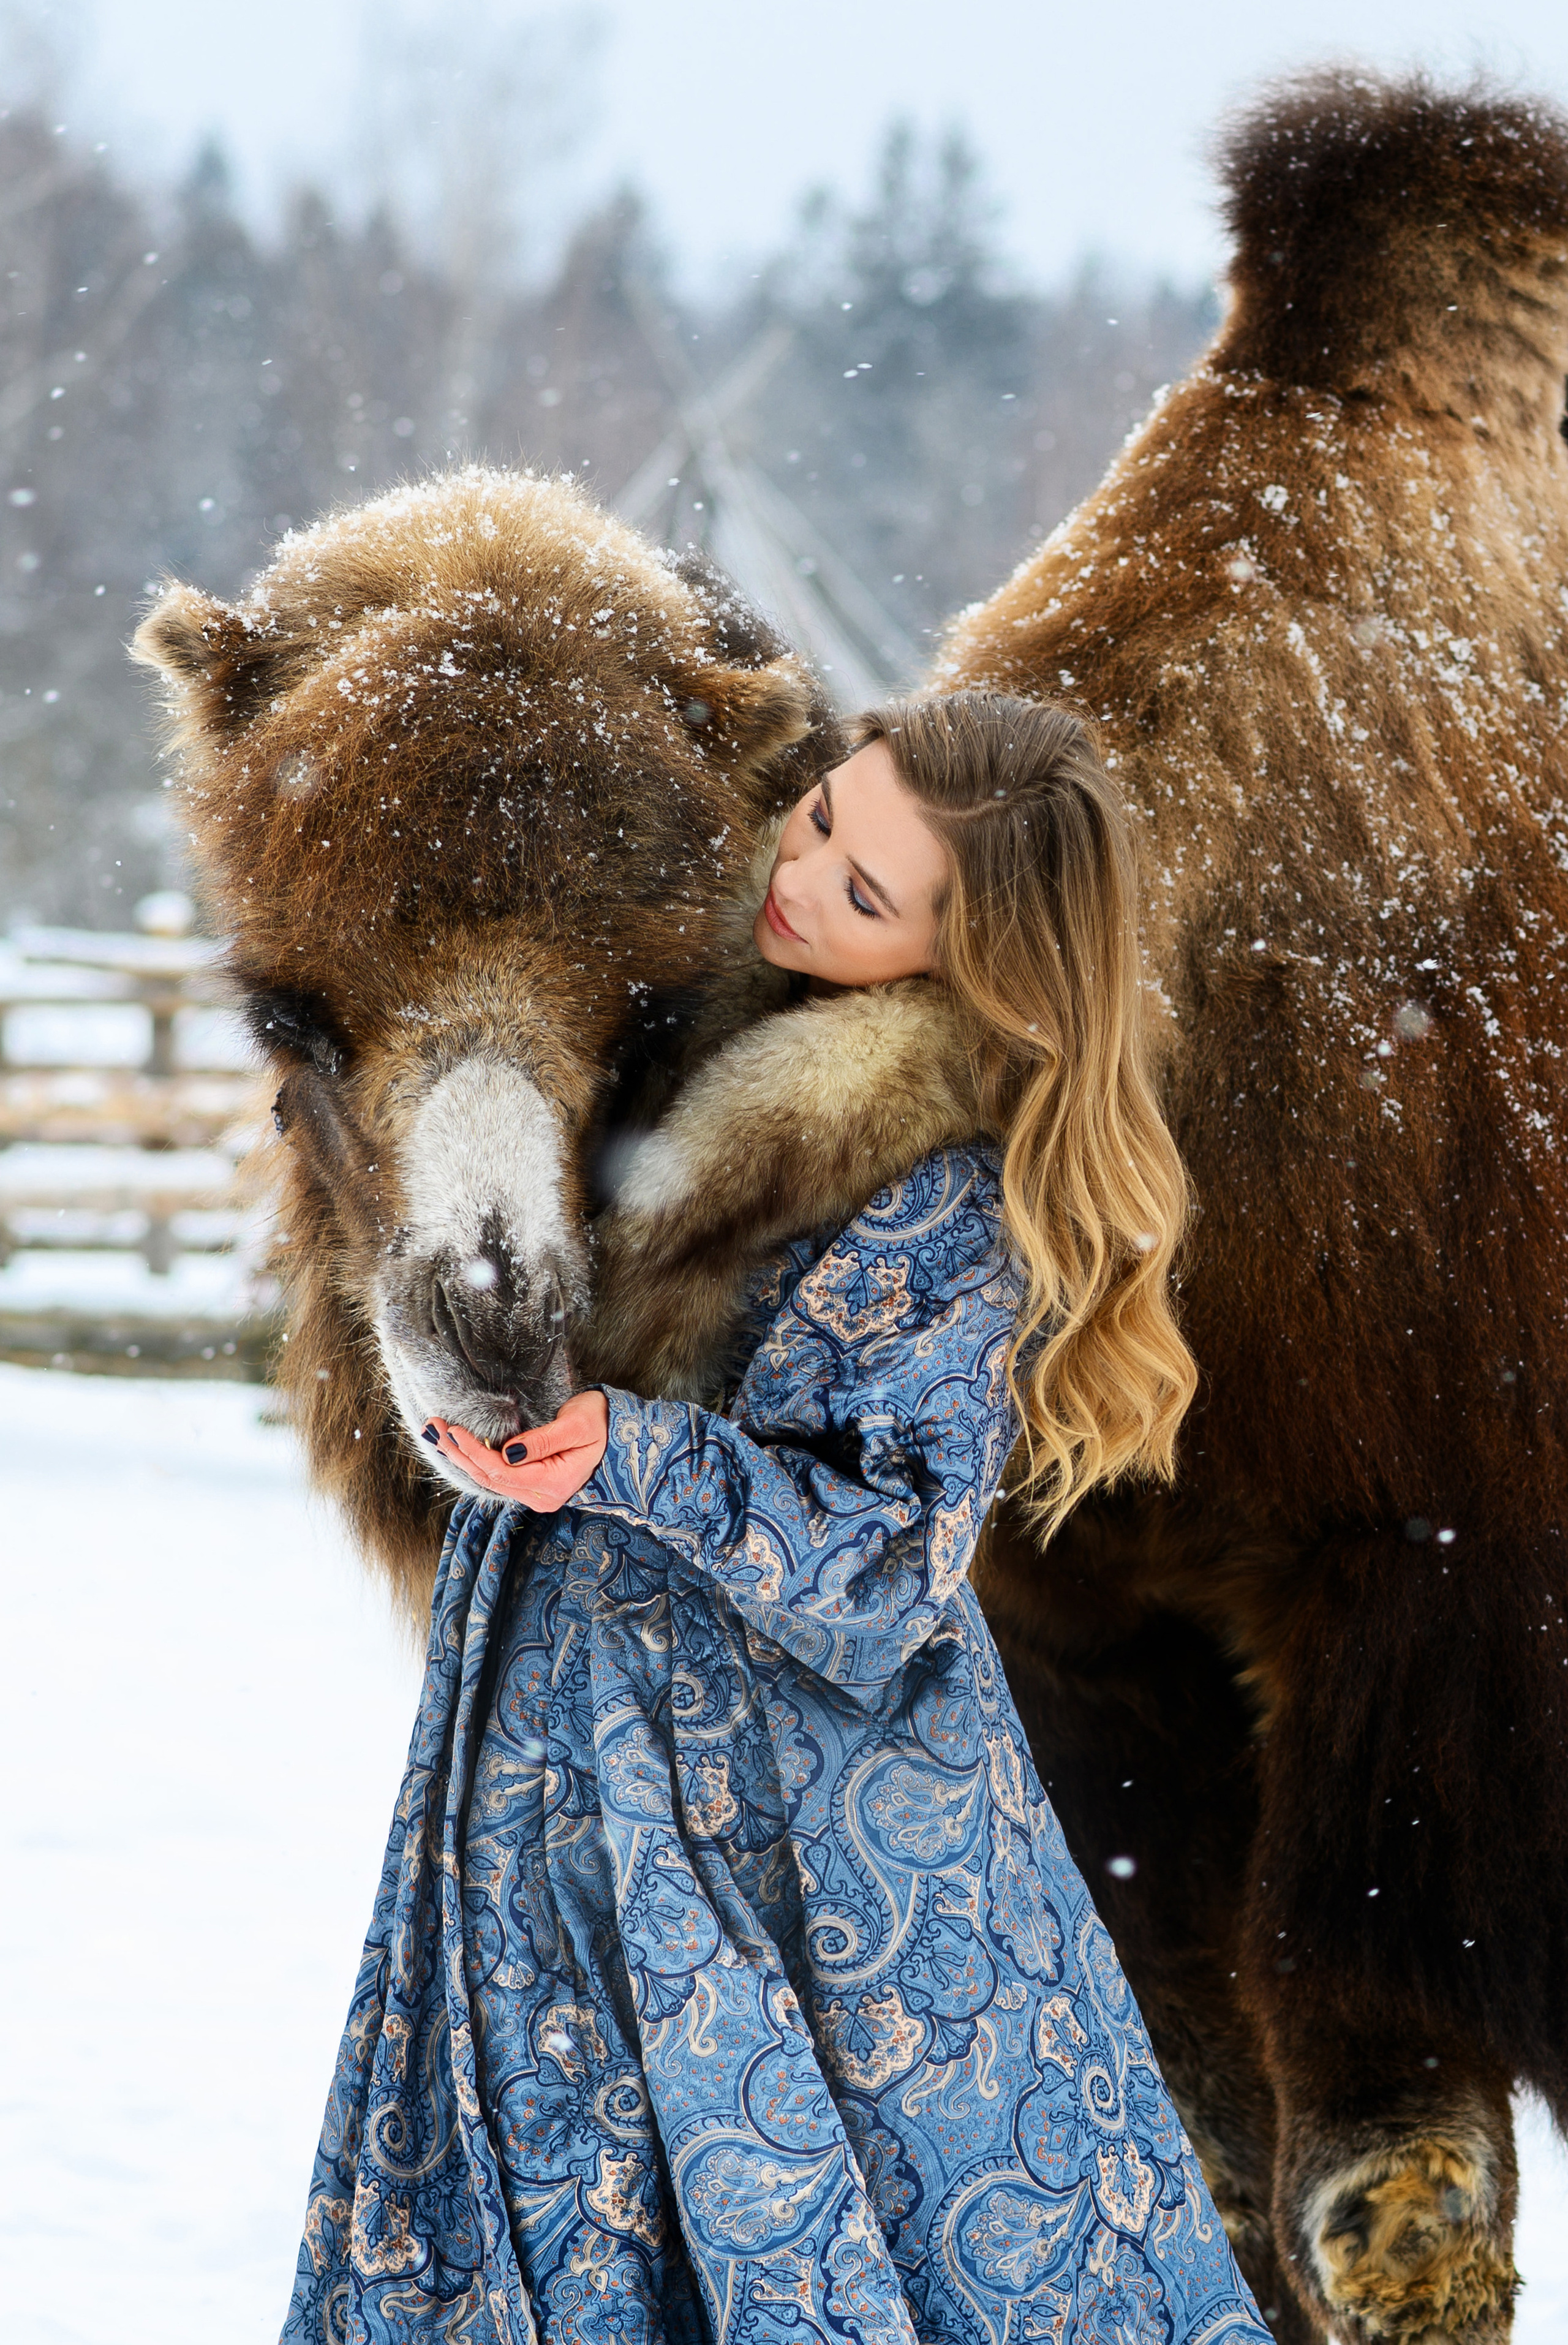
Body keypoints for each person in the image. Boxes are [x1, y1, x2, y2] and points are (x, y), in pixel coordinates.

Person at [284, 695, 1270, 2345]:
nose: (801, 879)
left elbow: (887, 1558)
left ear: (978, 962)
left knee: (792, 2214)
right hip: (560, 1759)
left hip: (776, 1823)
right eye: (821, 818)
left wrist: (630, 1453)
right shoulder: (680, 1034)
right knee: (541, 2188)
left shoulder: (942, 1191)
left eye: (868, 892)